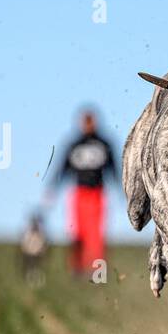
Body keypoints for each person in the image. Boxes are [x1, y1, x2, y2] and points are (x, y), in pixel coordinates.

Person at [46, 108, 119, 277]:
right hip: (79, 193)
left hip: (98, 194)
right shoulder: (74, 144)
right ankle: (76, 268)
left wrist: (122, 190)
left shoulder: (104, 143)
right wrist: (52, 189)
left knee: (96, 235)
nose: (88, 125)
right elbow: (62, 168)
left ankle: (98, 272)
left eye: (91, 121)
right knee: (77, 232)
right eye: (85, 121)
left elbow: (114, 169)